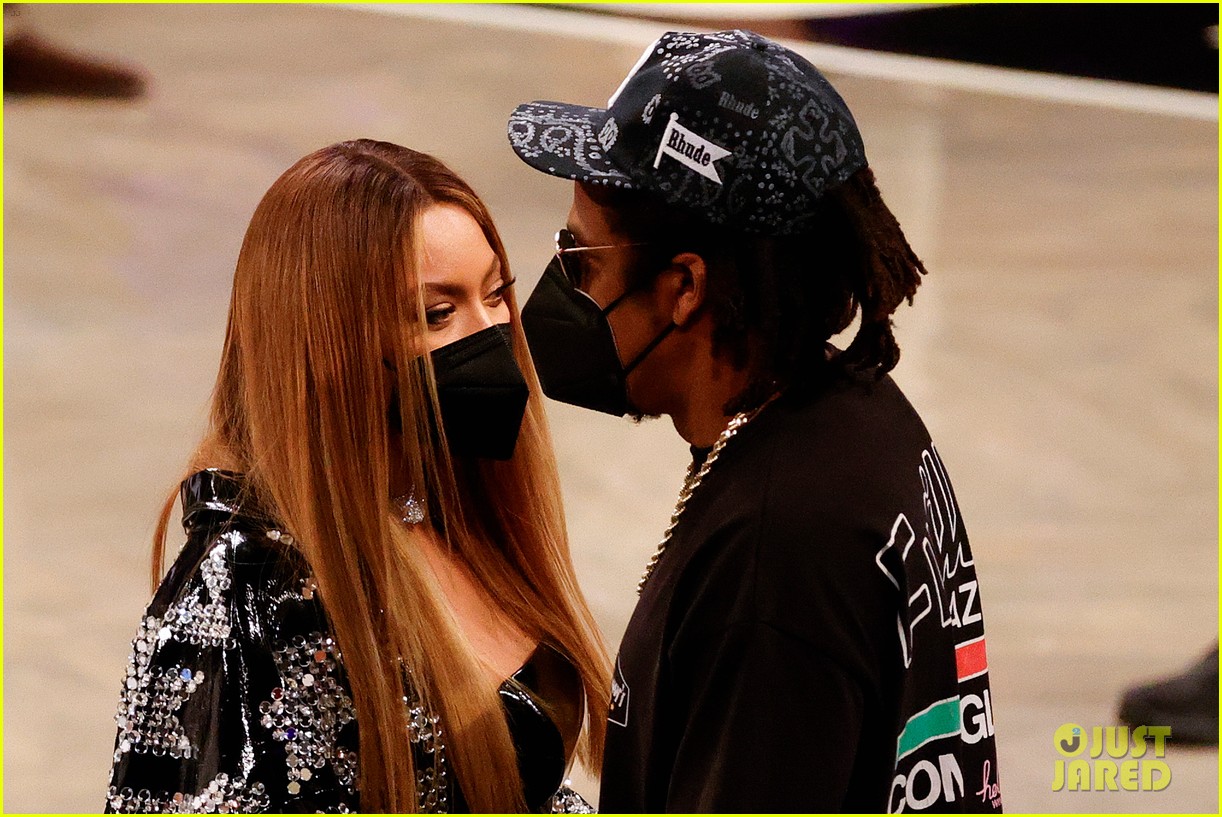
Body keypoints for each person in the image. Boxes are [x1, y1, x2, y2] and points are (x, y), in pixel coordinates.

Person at [507, 30, 1001, 812]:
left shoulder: (776, 555)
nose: (559, 288)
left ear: (684, 287)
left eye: (581, 260)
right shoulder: (854, 415)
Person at [105, 139, 610, 813]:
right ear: (329, 342)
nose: (491, 334)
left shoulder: (450, 508)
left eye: (496, 295)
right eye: (437, 313)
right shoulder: (250, 591)